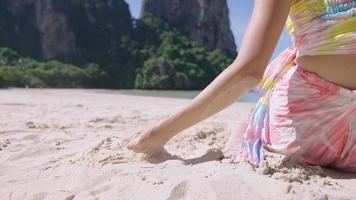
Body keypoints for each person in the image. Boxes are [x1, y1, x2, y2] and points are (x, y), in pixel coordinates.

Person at [127, 0, 356, 172]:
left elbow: (249, 71)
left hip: (303, 132)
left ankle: (248, 126)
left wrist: (158, 134)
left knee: (257, 117)